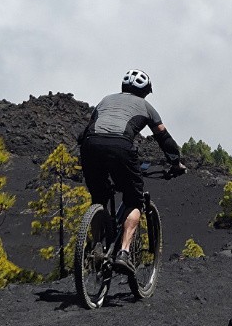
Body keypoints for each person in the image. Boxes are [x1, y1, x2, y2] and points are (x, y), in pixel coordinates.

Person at [79, 69, 185, 275]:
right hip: (121, 147)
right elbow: (163, 137)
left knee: (99, 199)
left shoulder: (105, 100)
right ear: (145, 91)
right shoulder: (146, 106)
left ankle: (97, 247)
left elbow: (87, 129)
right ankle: (124, 253)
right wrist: (175, 163)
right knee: (134, 201)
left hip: (90, 146)